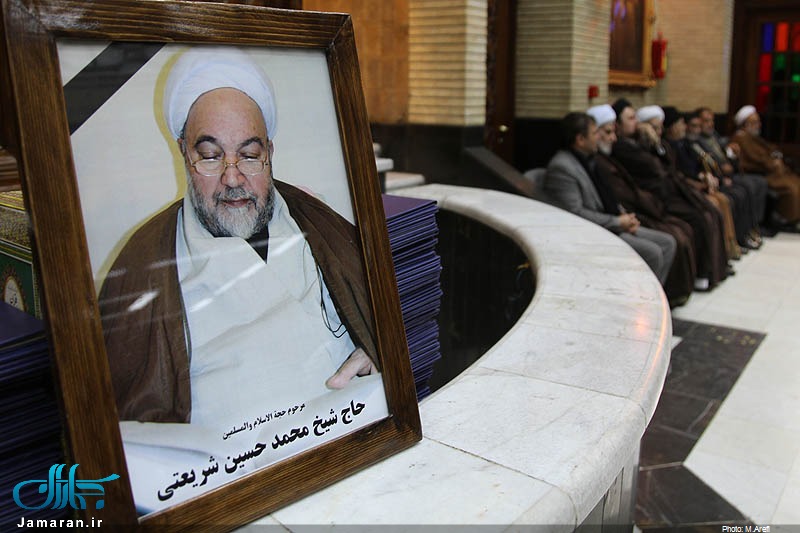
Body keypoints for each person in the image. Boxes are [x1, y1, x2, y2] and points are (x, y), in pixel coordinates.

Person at [98, 47, 378, 425]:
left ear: (269, 153)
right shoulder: (143, 265)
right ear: (184, 153)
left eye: (249, 155)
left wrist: (378, 348)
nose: (232, 178)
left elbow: (391, 315)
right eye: (211, 155)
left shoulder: (318, 222)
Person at [544, 111, 676, 285]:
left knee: (668, 242)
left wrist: (625, 217)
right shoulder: (562, 167)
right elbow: (575, 213)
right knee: (652, 252)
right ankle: (639, 297)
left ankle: (650, 297)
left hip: (611, 222)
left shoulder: (589, 159)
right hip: (591, 232)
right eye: (594, 133)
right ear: (580, 139)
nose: (598, 137)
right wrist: (617, 222)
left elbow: (607, 195)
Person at [611, 99, 729, 291]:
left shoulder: (644, 141)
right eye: (631, 118)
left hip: (669, 192)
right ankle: (696, 277)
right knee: (697, 220)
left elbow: (669, 166)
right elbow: (654, 168)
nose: (636, 123)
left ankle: (712, 270)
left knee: (710, 211)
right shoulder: (622, 147)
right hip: (656, 199)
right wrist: (652, 142)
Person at [588, 104, 696, 307]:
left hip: (636, 209)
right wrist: (621, 219)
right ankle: (647, 305)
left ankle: (660, 299)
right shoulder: (596, 160)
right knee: (667, 241)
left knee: (678, 233)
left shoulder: (608, 154)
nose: (613, 138)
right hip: (621, 217)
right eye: (607, 132)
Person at [696, 106, 770, 236]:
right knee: (746, 187)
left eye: (712, 120)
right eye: (706, 121)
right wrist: (722, 173)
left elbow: (727, 154)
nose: (710, 124)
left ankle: (754, 226)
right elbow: (708, 162)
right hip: (718, 177)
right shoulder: (698, 141)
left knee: (758, 183)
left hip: (730, 172)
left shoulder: (714, 136)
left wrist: (732, 155)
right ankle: (743, 232)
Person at [730, 105, 800, 228]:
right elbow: (754, 158)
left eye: (758, 121)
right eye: (755, 122)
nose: (759, 125)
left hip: (771, 170)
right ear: (745, 124)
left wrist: (775, 157)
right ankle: (788, 219)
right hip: (761, 172)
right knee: (791, 188)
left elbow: (770, 148)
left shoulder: (752, 137)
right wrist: (772, 163)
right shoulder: (741, 138)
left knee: (796, 182)